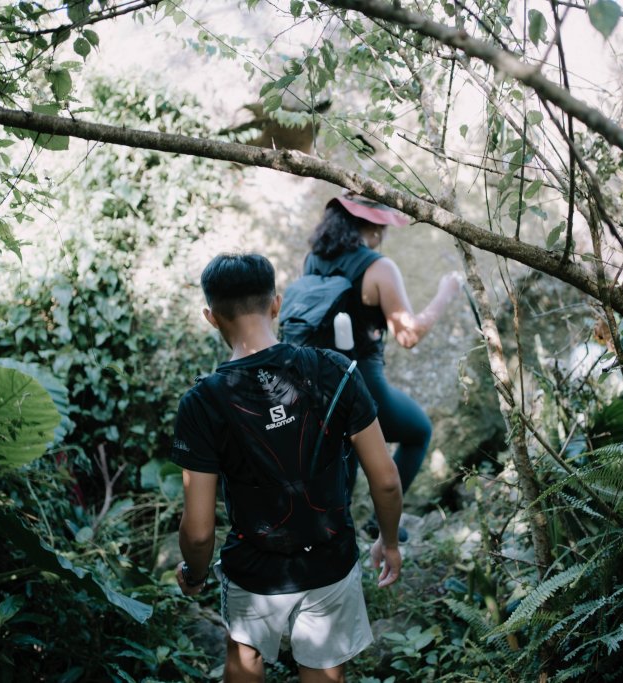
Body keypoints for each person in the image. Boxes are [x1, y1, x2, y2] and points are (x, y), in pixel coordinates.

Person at [172, 253, 403, 683]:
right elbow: (386, 480)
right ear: (276, 304)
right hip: (330, 559)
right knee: (322, 669)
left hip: (254, 570)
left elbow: (200, 529)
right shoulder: (335, 370)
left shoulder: (202, 403)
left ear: (210, 317)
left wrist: (194, 572)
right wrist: (389, 542)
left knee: (245, 660)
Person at [304, 193, 461, 507]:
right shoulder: (379, 268)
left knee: (343, 451)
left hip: (317, 380)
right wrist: (446, 293)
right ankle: (383, 522)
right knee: (418, 431)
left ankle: (341, 539)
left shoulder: (313, 260)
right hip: (361, 380)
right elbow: (408, 335)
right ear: (374, 227)